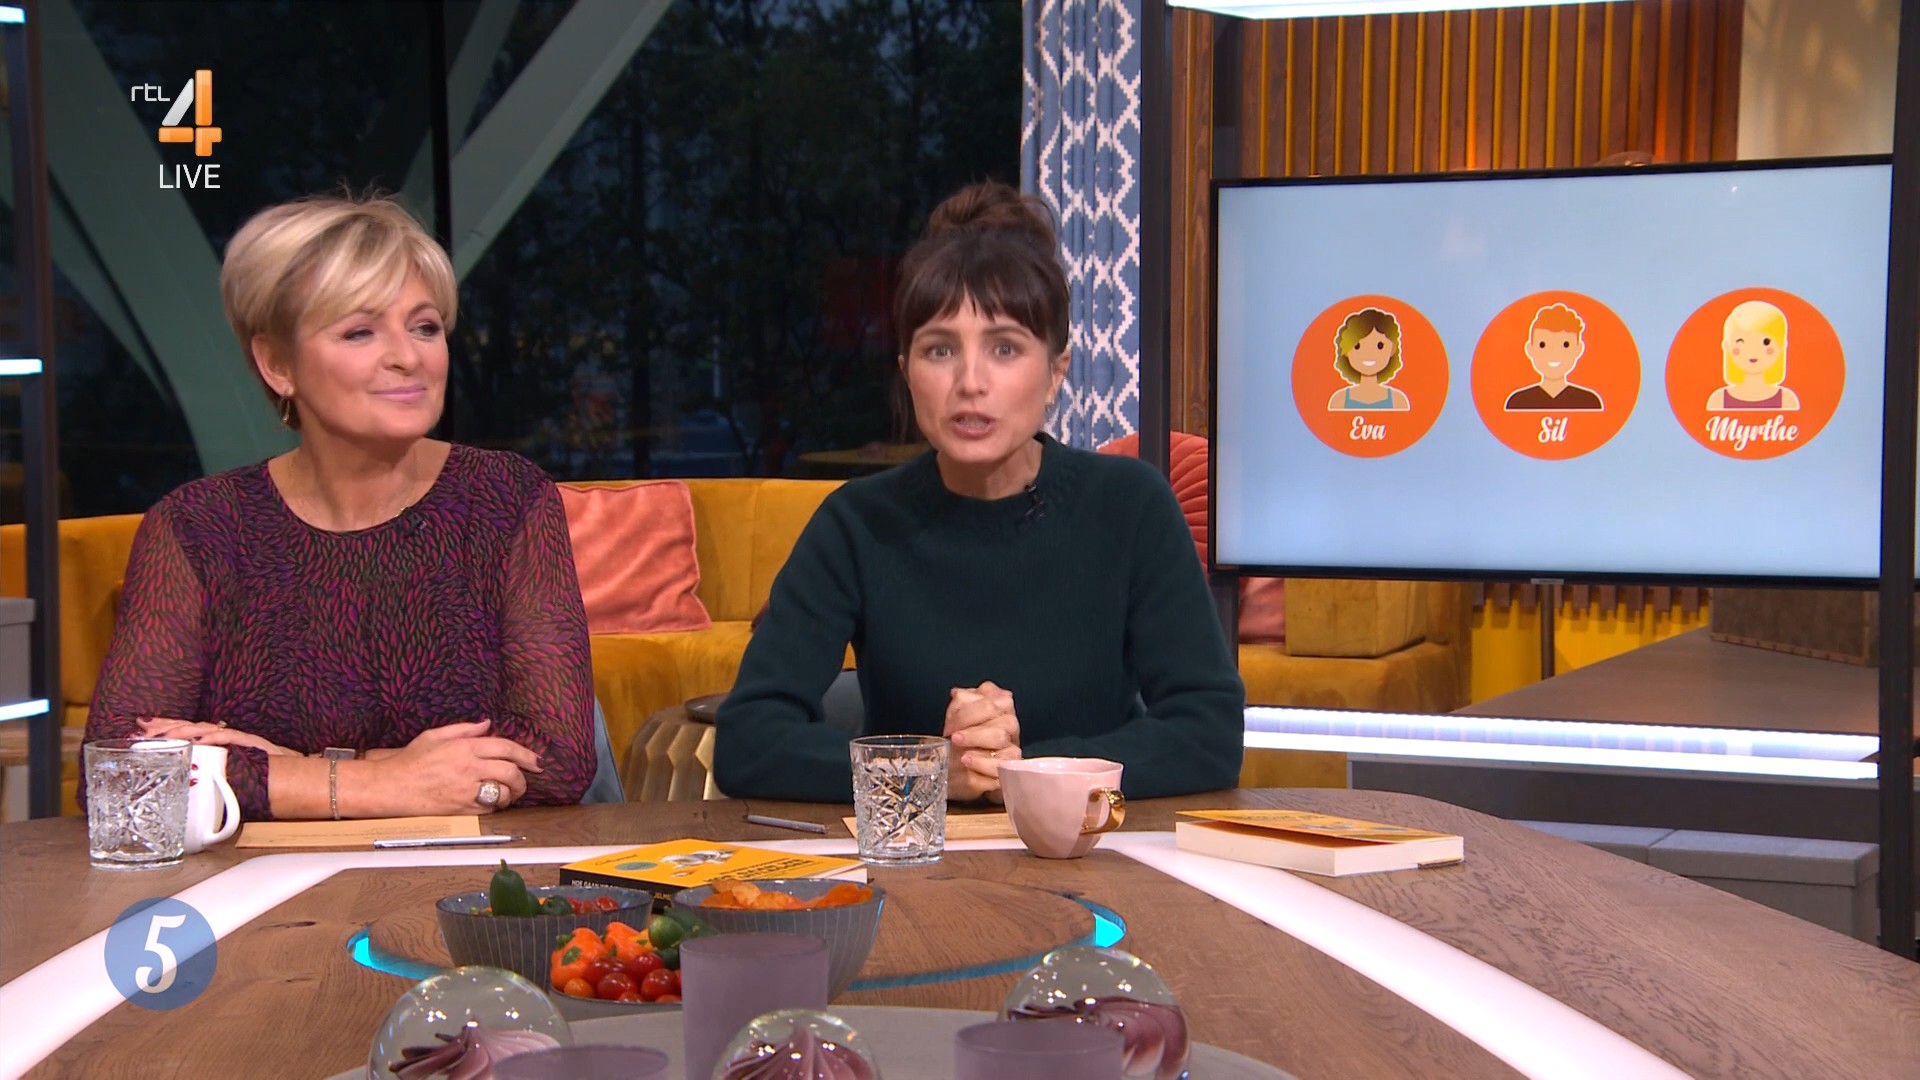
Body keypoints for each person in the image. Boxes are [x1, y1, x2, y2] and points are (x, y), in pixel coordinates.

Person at [713, 181, 1245, 803]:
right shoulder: (858, 524)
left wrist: (1025, 774)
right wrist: (928, 772)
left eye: (1005, 348)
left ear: (1055, 373)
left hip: (1094, 848)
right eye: (940, 350)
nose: (970, 381)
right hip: (914, 851)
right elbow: (748, 740)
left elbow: (1208, 734)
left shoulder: (1130, 506)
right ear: (906, 372)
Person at [84, 194, 595, 821]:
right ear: (278, 364)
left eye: (425, 327)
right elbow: (120, 775)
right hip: (257, 878)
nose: (409, 356)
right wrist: (384, 782)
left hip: (468, 871)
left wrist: (282, 770)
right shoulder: (199, 526)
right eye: (360, 331)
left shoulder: (505, 498)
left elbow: (558, 758)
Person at [1503, 302, 1604, 412]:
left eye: (1565, 345)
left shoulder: (1589, 402)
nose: (1554, 353)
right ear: (1530, 349)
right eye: (1542, 345)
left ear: (1578, 349)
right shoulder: (1518, 402)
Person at [1707, 300, 1800, 411]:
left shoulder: (1786, 400)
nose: (1753, 351)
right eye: (1741, 341)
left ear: (1781, 346)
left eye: (1765, 342)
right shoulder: (1718, 400)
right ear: (1727, 346)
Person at [1325, 307, 1412, 411]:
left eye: (1380, 346)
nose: (1369, 353)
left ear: (1392, 350)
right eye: (1357, 346)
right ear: (1346, 352)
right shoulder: (1339, 401)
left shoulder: (1398, 401)